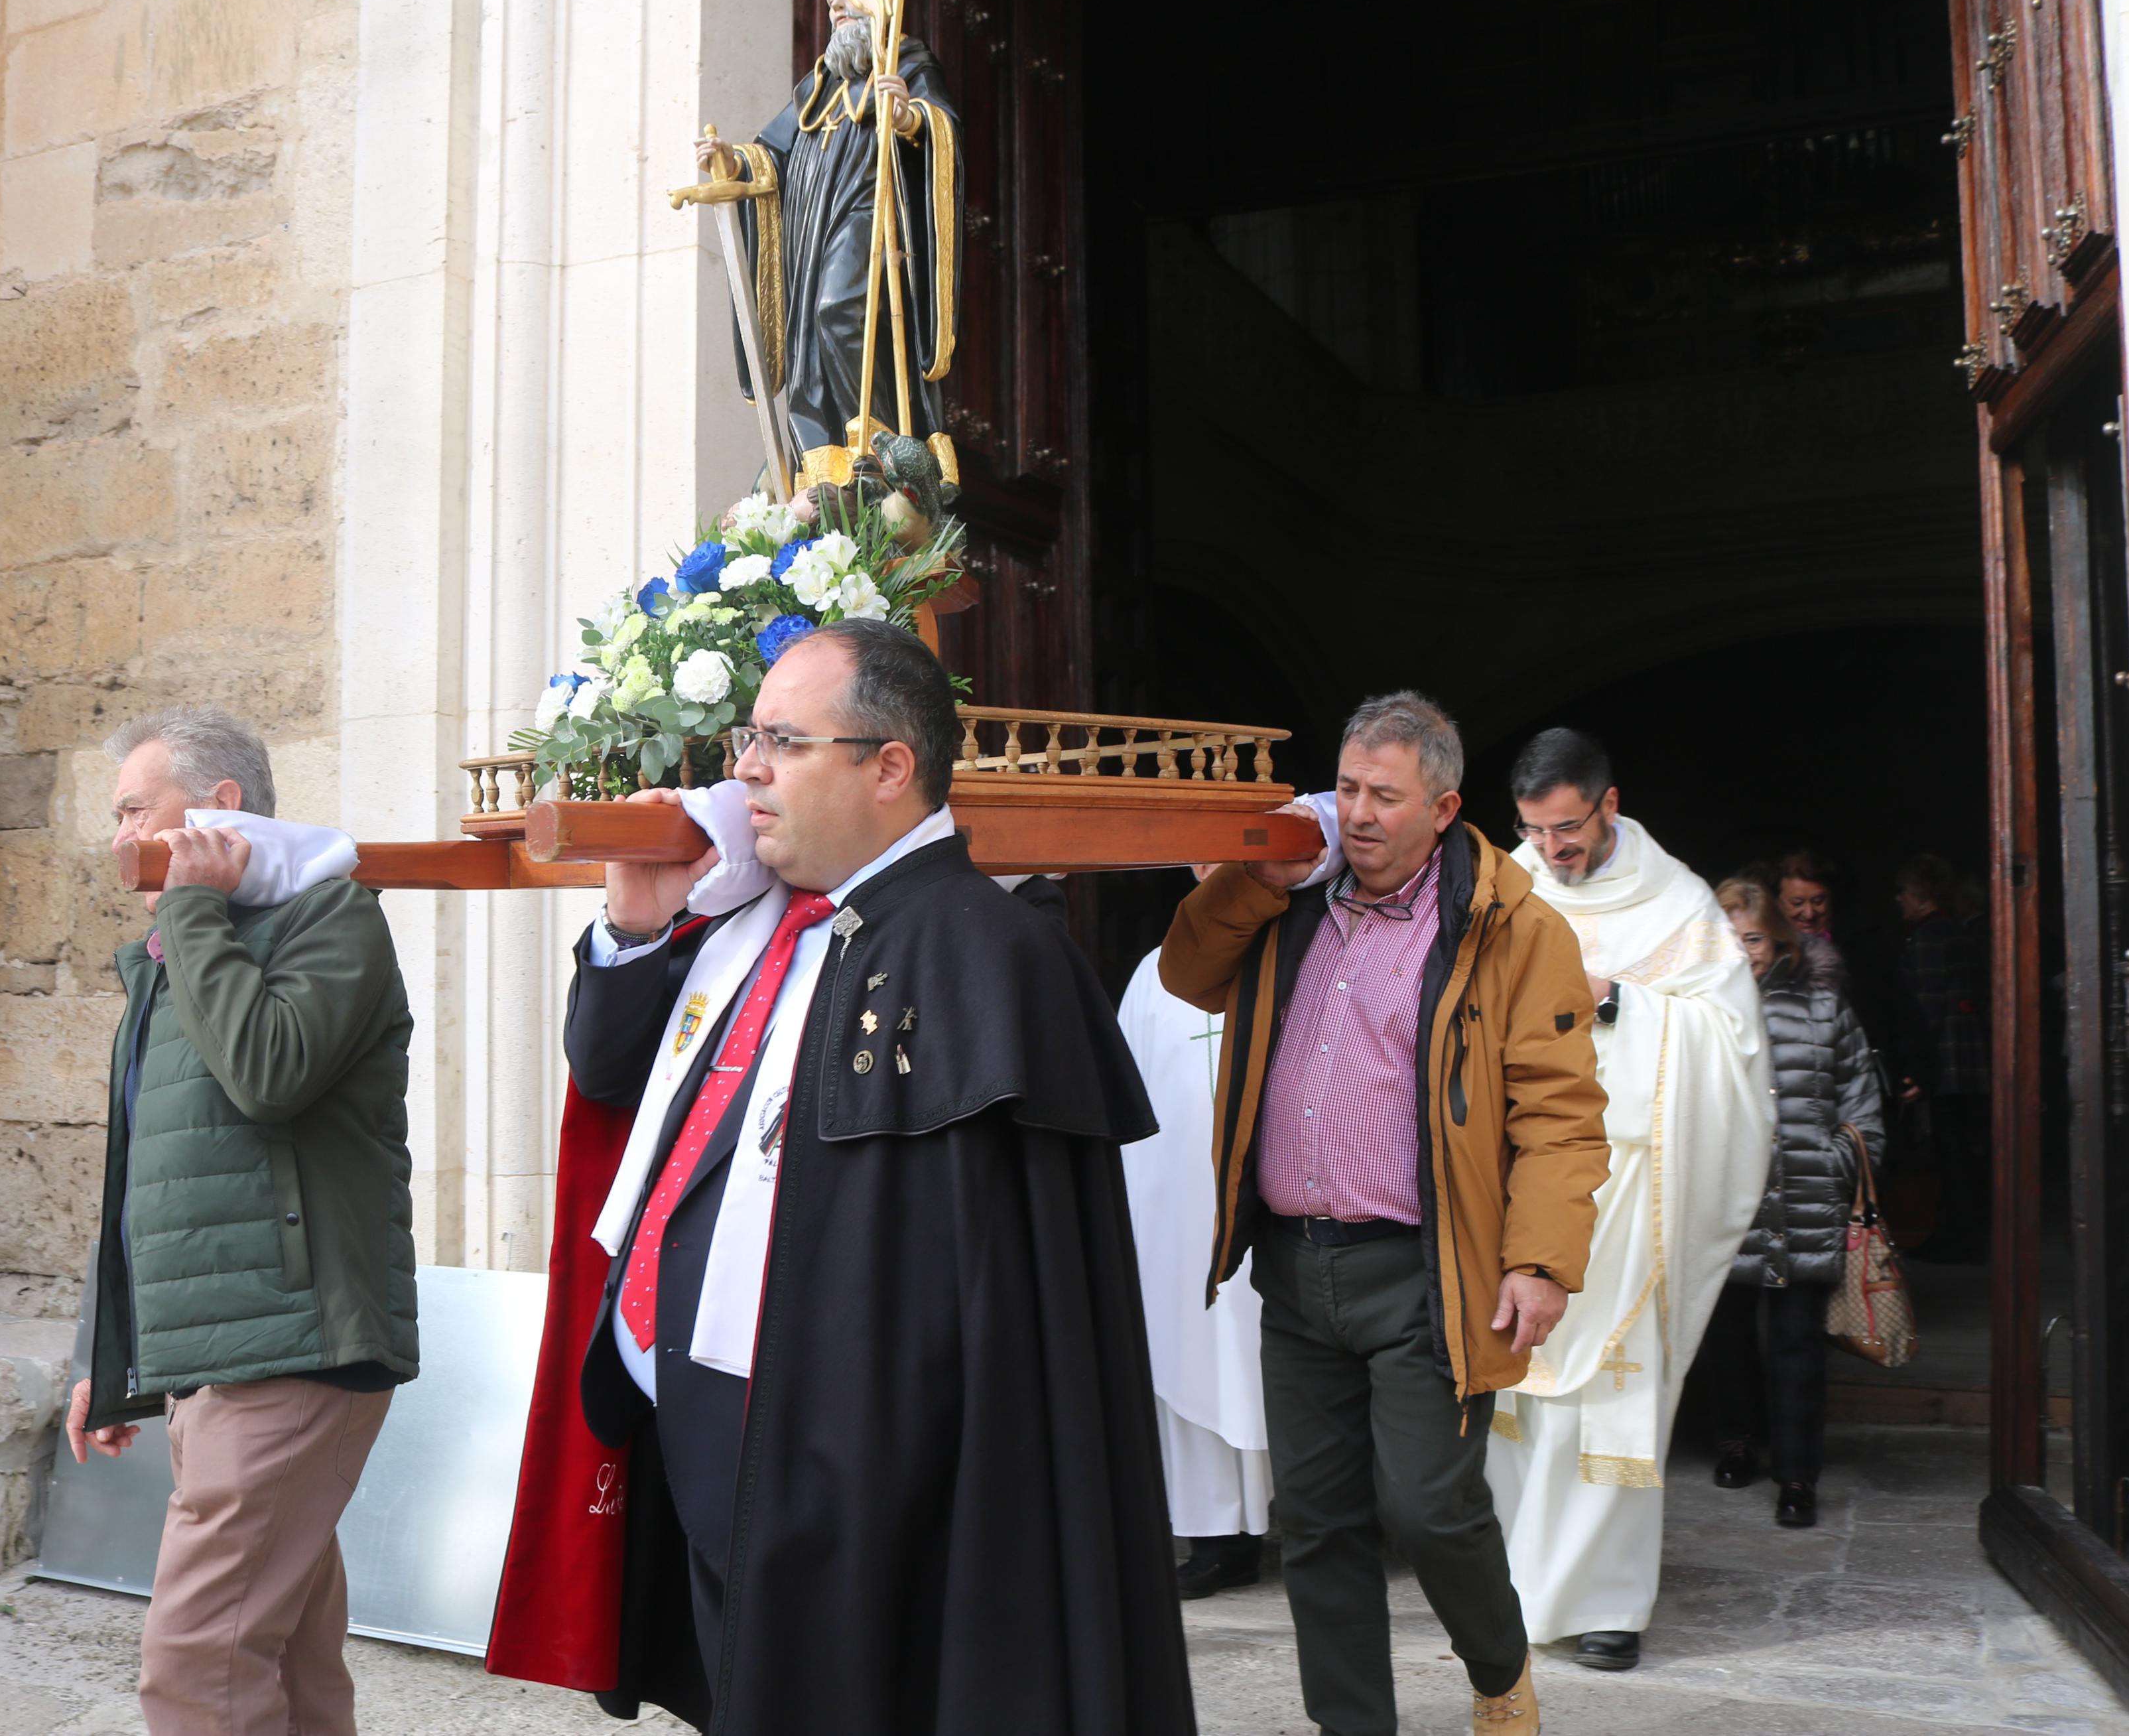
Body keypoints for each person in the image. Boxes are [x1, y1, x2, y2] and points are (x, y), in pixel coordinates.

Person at [491, 618, 1194, 1734]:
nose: (746, 770)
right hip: (699, 1406)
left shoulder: (990, 956)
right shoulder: (742, 921)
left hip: (850, 1456)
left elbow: (996, 1306)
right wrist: (637, 917)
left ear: (889, 767)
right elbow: (608, 1069)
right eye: (746, 740)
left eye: (781, 741)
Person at [1161, 690, 1611, 1736]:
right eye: (1347, 787)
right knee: (1315, 1521)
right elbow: (1188, 973)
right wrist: (1252, 876)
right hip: (1291, 1264)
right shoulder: (1288, 895)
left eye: (1383, 796)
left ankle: (1497, 1667)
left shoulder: (1510, 926)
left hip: (1425, 1269)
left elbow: (1560, 1112)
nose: (1355, 813)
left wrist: (1539, 1260)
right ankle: (1349, 1722)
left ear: (1443, 807)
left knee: (1429, 1506)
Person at [65, 706, 419, 1736]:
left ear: (221, 806)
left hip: (296, 1344)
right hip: (228, 1352)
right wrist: (114, 1349)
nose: (119, 835)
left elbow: (268, 1074)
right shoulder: (180, 949)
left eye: (136, 808)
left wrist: (192, 914)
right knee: (294, 1663)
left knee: (196, 1670)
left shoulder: (329, 916)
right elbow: (152, 1172)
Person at [1489, 728, 1772, 1672]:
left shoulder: (1678, 902)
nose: (1551, 849)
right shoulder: (1507, 885)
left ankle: (1605, 1603)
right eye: (1533, 829)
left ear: (1608, 804)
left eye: (1566, 828)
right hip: (1521, 1174)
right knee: (1517, 1385)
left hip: (1632, 1188)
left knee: (1611, 1393)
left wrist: (1618, 998)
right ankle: (1509, 1584)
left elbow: (1731, 1043)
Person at [697, 0, 960, 458]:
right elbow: (772, 153)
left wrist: (908, 119)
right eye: (831, 4)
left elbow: (938, 128)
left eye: (847, 0)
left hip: (870, 215)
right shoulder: (818, 86)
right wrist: (733, 161)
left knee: (838, 310)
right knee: (811, 335)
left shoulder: (907, 65)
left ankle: (882, 442)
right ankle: (826, 453)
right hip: (813, 231)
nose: (836, 9)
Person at [1701, 878, 1887, 1527]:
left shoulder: (1822, 1008)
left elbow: (1862, 1101)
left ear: (1777, 937)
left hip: (1804, 1196)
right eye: (1726, 934)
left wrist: (1837, 1166)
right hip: (1720, 1202)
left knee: (1796, 1345)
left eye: (1751, 935)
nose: (1741, 949)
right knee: (1724, 1337)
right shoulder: (1692, 1008)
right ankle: (1734, 1442)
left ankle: (1796, 1474)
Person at [1116, 938, 1274, 1599]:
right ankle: (1214, 1537)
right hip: (1177, 1203)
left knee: (1276, 1358)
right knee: (1190, 1354)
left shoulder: (1294, 947)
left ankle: (1328, 1523)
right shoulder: (1156, 969)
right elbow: (1125, 1090)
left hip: (1272, 1196)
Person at [1892, 852, 1991, 1262]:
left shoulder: (1931, 935)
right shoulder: (1952, 930)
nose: (1897, 899)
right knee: (1961, 1152)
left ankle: (1960, 1238)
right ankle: (1958, 1234)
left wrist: (1916, 1064)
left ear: (1920, 894)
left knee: (1953, 1154)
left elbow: (1926, 1005)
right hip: (1964, 1061)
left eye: (1902, 892)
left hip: (1948, 1064)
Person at [1774, 848, 1855, 998]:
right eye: (1797, 903)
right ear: (1778, 904)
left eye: (1818, 902)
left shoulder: (1855, 947)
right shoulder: (1769, 954)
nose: (1809, 914)